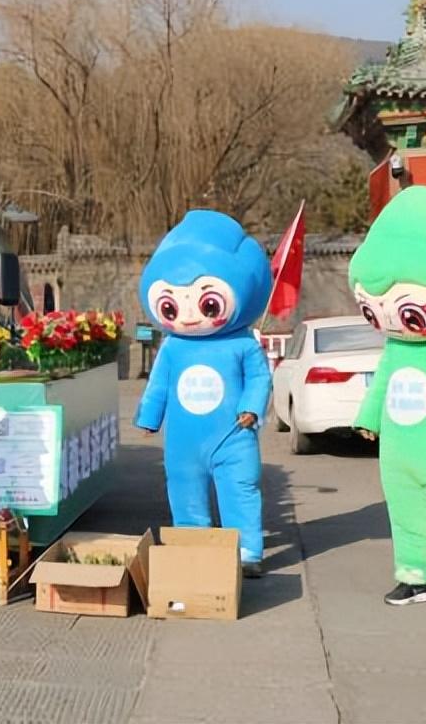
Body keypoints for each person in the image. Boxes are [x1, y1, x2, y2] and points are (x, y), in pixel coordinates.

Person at [133, 210, 273, 578]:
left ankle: (247, 552)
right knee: (184, 488)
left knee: (240, 489)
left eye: (208, 303)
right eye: (172, 305)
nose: (192, 316)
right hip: (183, 439)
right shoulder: (173, 347)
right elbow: (159, 383)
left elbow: (260, 379)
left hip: (233, 435)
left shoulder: (243, 344)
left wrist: (251, 409)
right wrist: (150, 416)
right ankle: (193, 545)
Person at [348, 186, 426, 612]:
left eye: (403, 309)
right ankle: (413, 577)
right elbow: (383, 381)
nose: (387, 317)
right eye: (374, 308)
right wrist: (369, 417)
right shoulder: (396, 348)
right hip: (399, 449)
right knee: (405, 512)